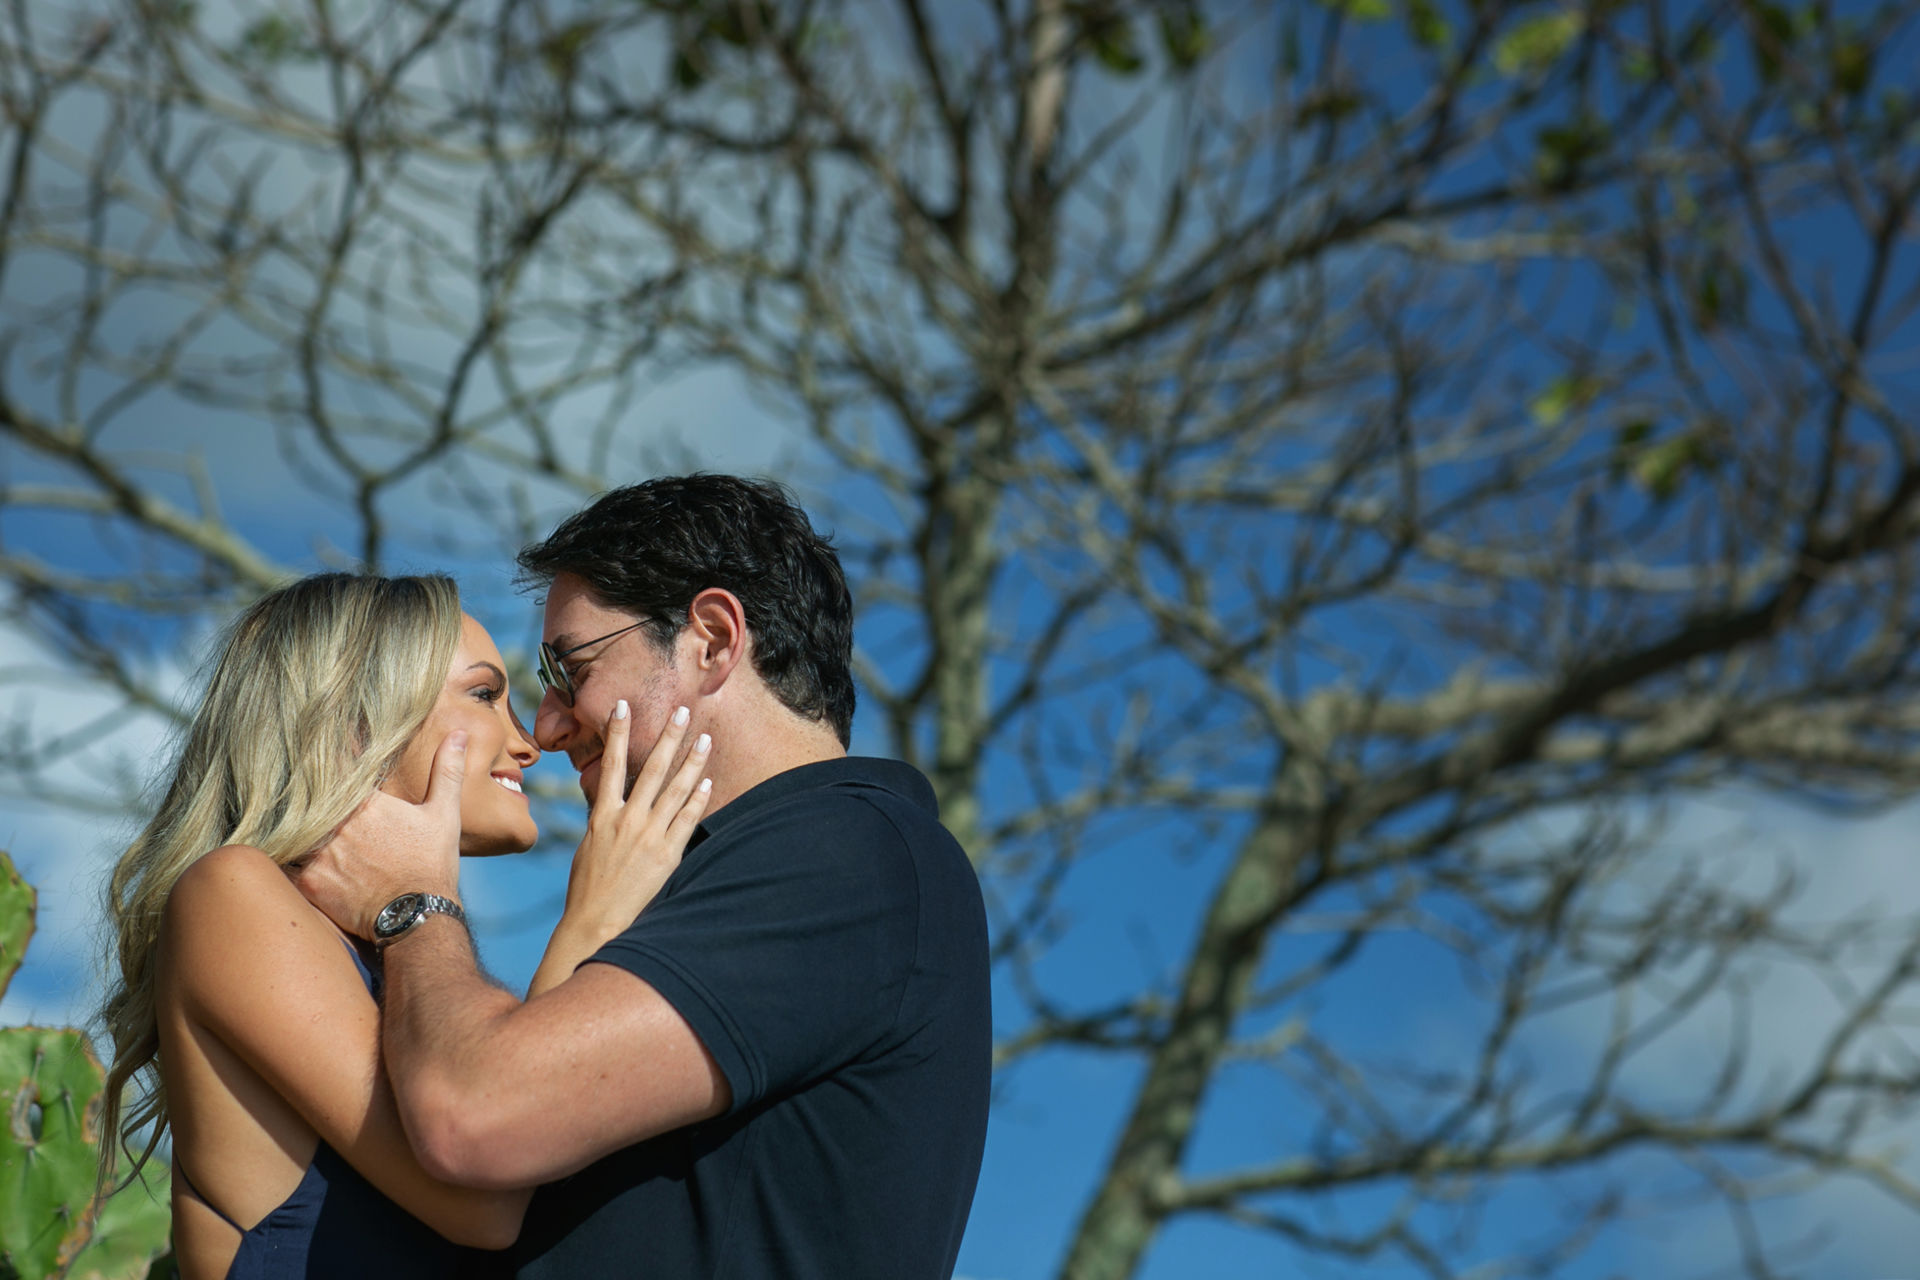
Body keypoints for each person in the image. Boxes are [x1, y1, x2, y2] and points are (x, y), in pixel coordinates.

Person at [296, 474, 992, 1279]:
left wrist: (412, 904)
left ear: (711, 641)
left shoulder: (852, 852)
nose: (548, 726)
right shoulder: (768, 868)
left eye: (570, 670)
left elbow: (473, 1115)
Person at [99, 572, 712, 1280]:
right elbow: (486, 1189)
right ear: (354, 721)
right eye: (485, 695)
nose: (528, 741)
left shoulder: (403, 961)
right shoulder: (230, 893)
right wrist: (593, 913)